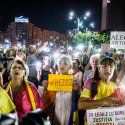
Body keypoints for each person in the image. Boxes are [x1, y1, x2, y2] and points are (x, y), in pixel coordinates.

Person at [78, 57, 122, 125]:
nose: (108, 69)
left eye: (111, 67)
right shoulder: (91, 82)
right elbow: (80, 105)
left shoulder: (117, 86)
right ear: (99, 69)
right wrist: (104, 102)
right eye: (104, 66)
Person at [42, 55, 80, 125]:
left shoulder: (75, 80)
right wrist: (45, 89)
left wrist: (76, 91)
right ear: (57, 65)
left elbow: (79, 98)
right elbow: (47, 99)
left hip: (69, 109)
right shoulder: (53, 80)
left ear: (70, 66)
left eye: (65, 63)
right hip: (56, 111)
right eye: (60, 63)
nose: (62, 65)